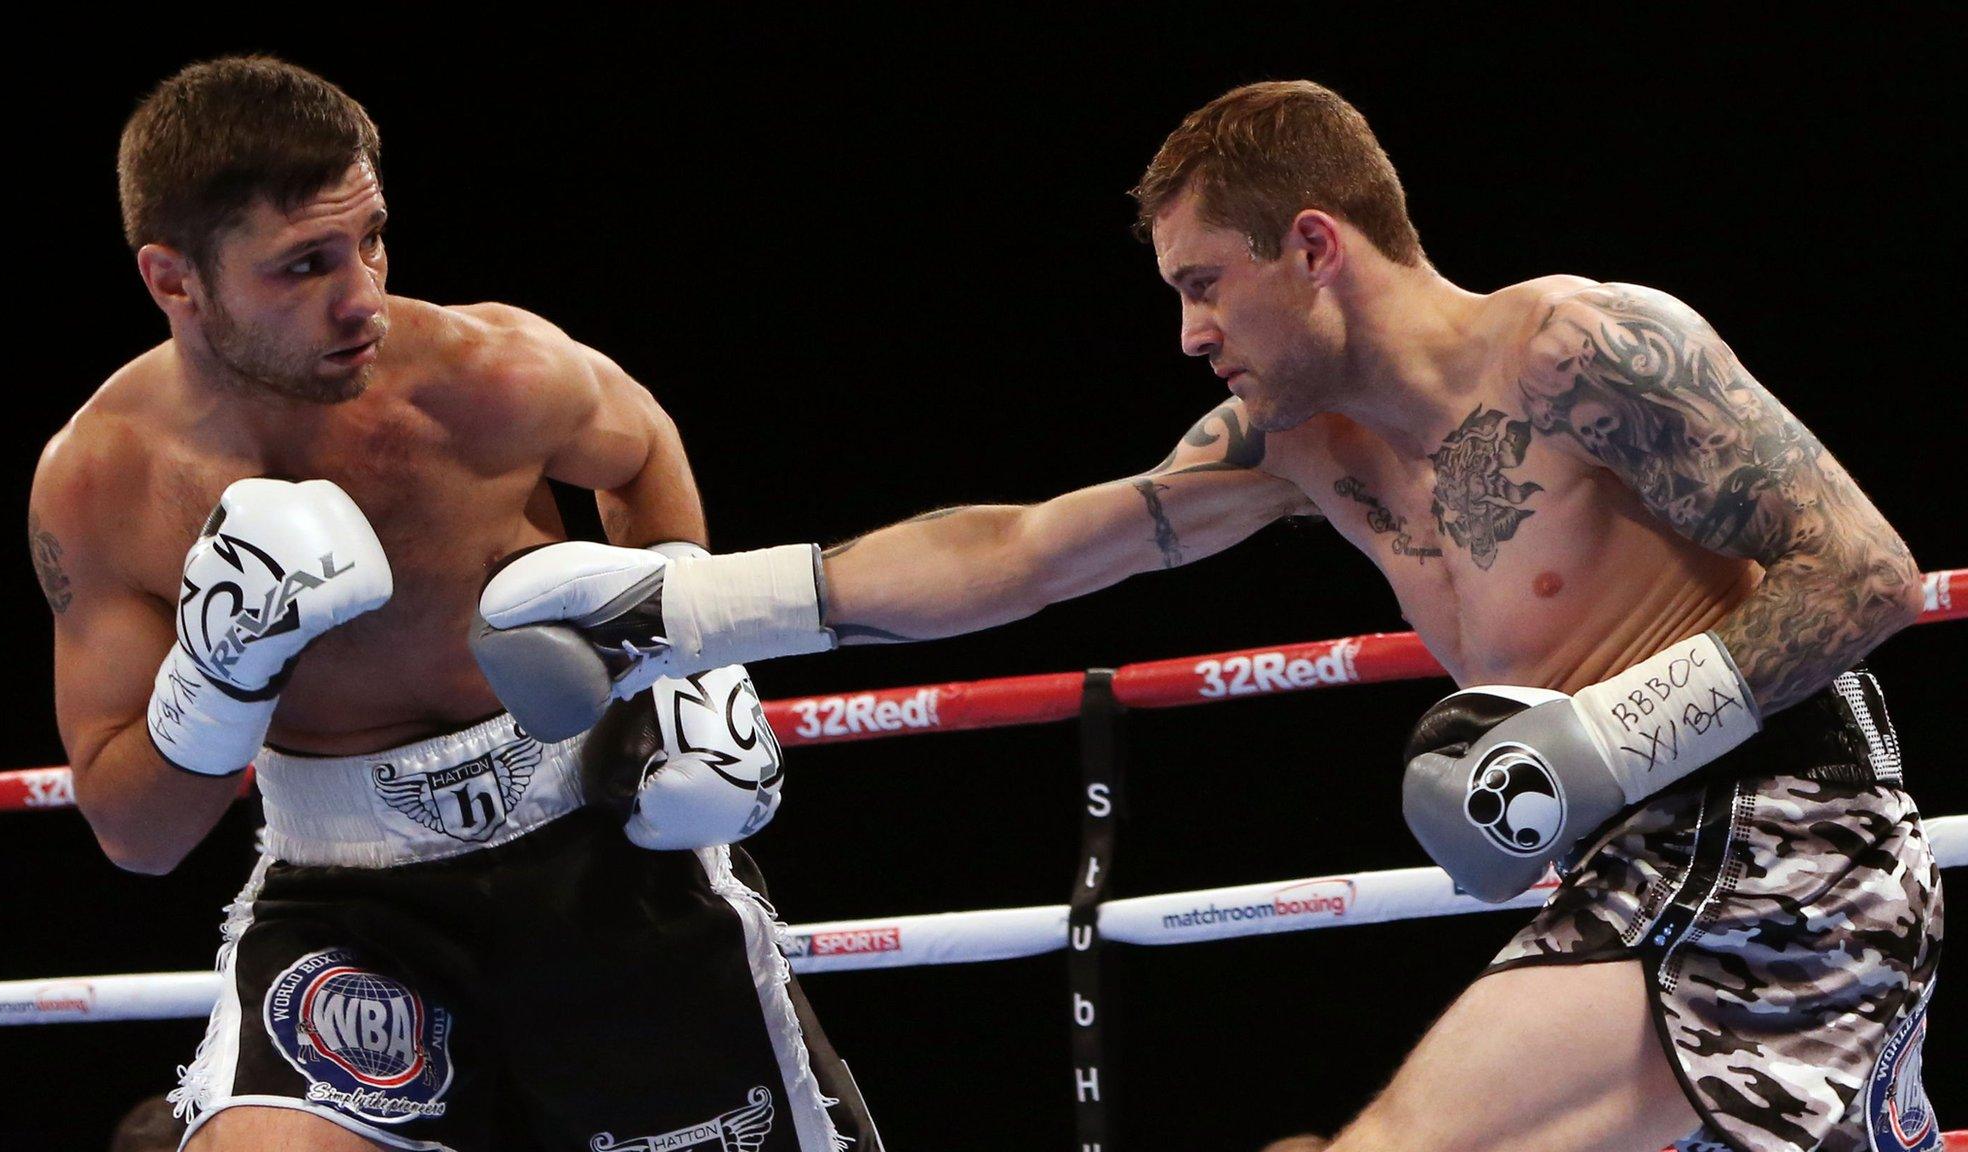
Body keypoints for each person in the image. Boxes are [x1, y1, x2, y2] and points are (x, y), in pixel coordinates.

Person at [479, 81, 1943, 1152]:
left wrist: (1601, 743)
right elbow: (1030, 553)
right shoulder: (1301, 448)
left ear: (1314, 244)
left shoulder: (1580, 351)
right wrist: (681, 607)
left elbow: (1866, 573)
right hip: (1640, 861)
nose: (1187, 333)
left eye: (1203, 284)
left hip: (1774, 832)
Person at [29, 55, 878, 1152]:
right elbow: (134, 833)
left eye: (371, 236)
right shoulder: (102, 485)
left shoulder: (486, 374)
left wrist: (675, 657)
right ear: (173, 281)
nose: (363, 294)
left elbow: (641, 446)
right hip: (348, 903)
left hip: (601, 855)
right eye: (303, 265)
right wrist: (220, 668)